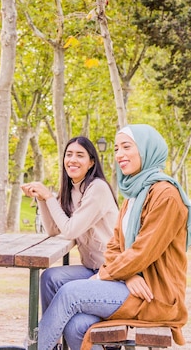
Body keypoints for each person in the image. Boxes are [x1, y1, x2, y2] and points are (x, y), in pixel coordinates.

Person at [38, 124, 191, 350]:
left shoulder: (165, 195)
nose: (119, 154)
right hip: (129, 283)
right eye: (117, 149)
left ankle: (35, 347)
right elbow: (114, 245)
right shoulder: (134, 194)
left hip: (155, 294)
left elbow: (143, 251)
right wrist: (122, 276)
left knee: (70, 292)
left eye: (126, 147)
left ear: (147, 150)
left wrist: (104, 275)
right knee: (77, 325)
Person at [22, 136, 118, 318]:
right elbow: (53, 230)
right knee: (49, 278)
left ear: (91, 163)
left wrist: (49, 196)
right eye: (69, 154)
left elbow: (70, 230)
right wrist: (42, 199)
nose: (72, 159)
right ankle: (54, 342)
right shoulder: (71, 189)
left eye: (80, 155)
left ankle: (44, 341)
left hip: (110, 272)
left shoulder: (97, 188)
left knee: (70, 301)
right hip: (91, 268)